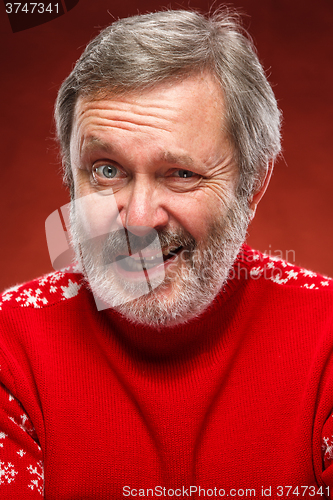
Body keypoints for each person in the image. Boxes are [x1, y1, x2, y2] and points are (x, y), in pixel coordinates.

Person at [1, 8, 333, 499]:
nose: (137, 220)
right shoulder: (9, 345)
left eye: (181, 173)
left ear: (253, 183)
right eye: (107, 170)